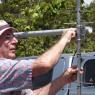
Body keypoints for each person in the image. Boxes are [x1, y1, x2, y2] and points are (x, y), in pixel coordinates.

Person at [0, 20, 82, 95]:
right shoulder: (2, 67)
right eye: (7, 37)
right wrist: (65, 39)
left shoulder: (9, 75)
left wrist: (63, 79)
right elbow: (44, 64)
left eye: (13, 36)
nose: (15, 41)